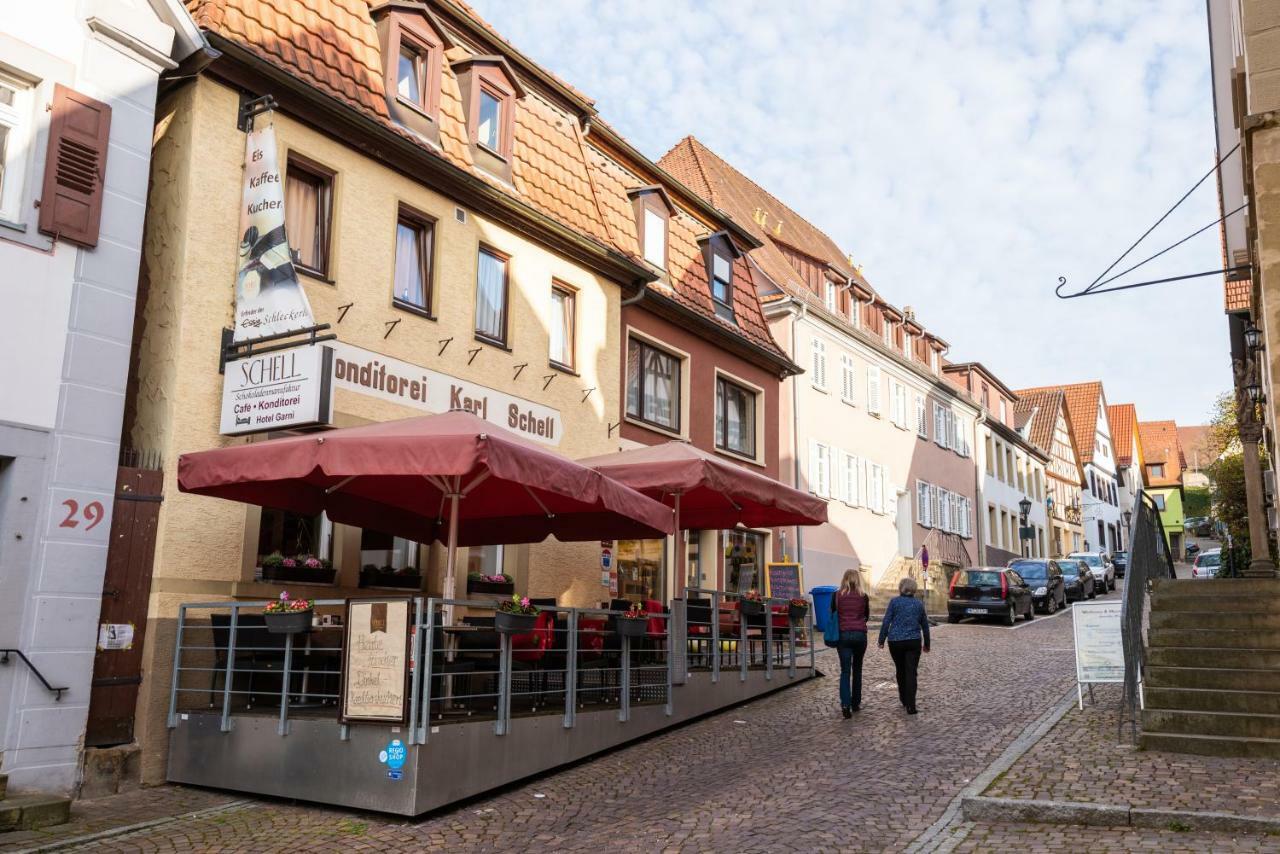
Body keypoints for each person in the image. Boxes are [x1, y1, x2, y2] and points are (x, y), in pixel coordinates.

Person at [877, 576, 930, 714]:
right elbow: (925, 625)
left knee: (900, 670)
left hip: (895, 642)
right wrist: (927, 644)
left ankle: (903, 698)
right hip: (913, 641)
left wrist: (881, 639)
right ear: (913, 589)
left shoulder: (894, 602)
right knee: (911, 672)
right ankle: (911, 705)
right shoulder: (918, 604)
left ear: (901, 588)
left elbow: (886, 621)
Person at [832, 569, 870, 718]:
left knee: (845, 671)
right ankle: (856, 702)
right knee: (858, 669)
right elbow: (866, 615)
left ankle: (845, 704)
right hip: (860, 636)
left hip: (843, 636)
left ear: (844, 579)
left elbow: (833, 613)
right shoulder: (863, 596)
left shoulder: (836, 596)